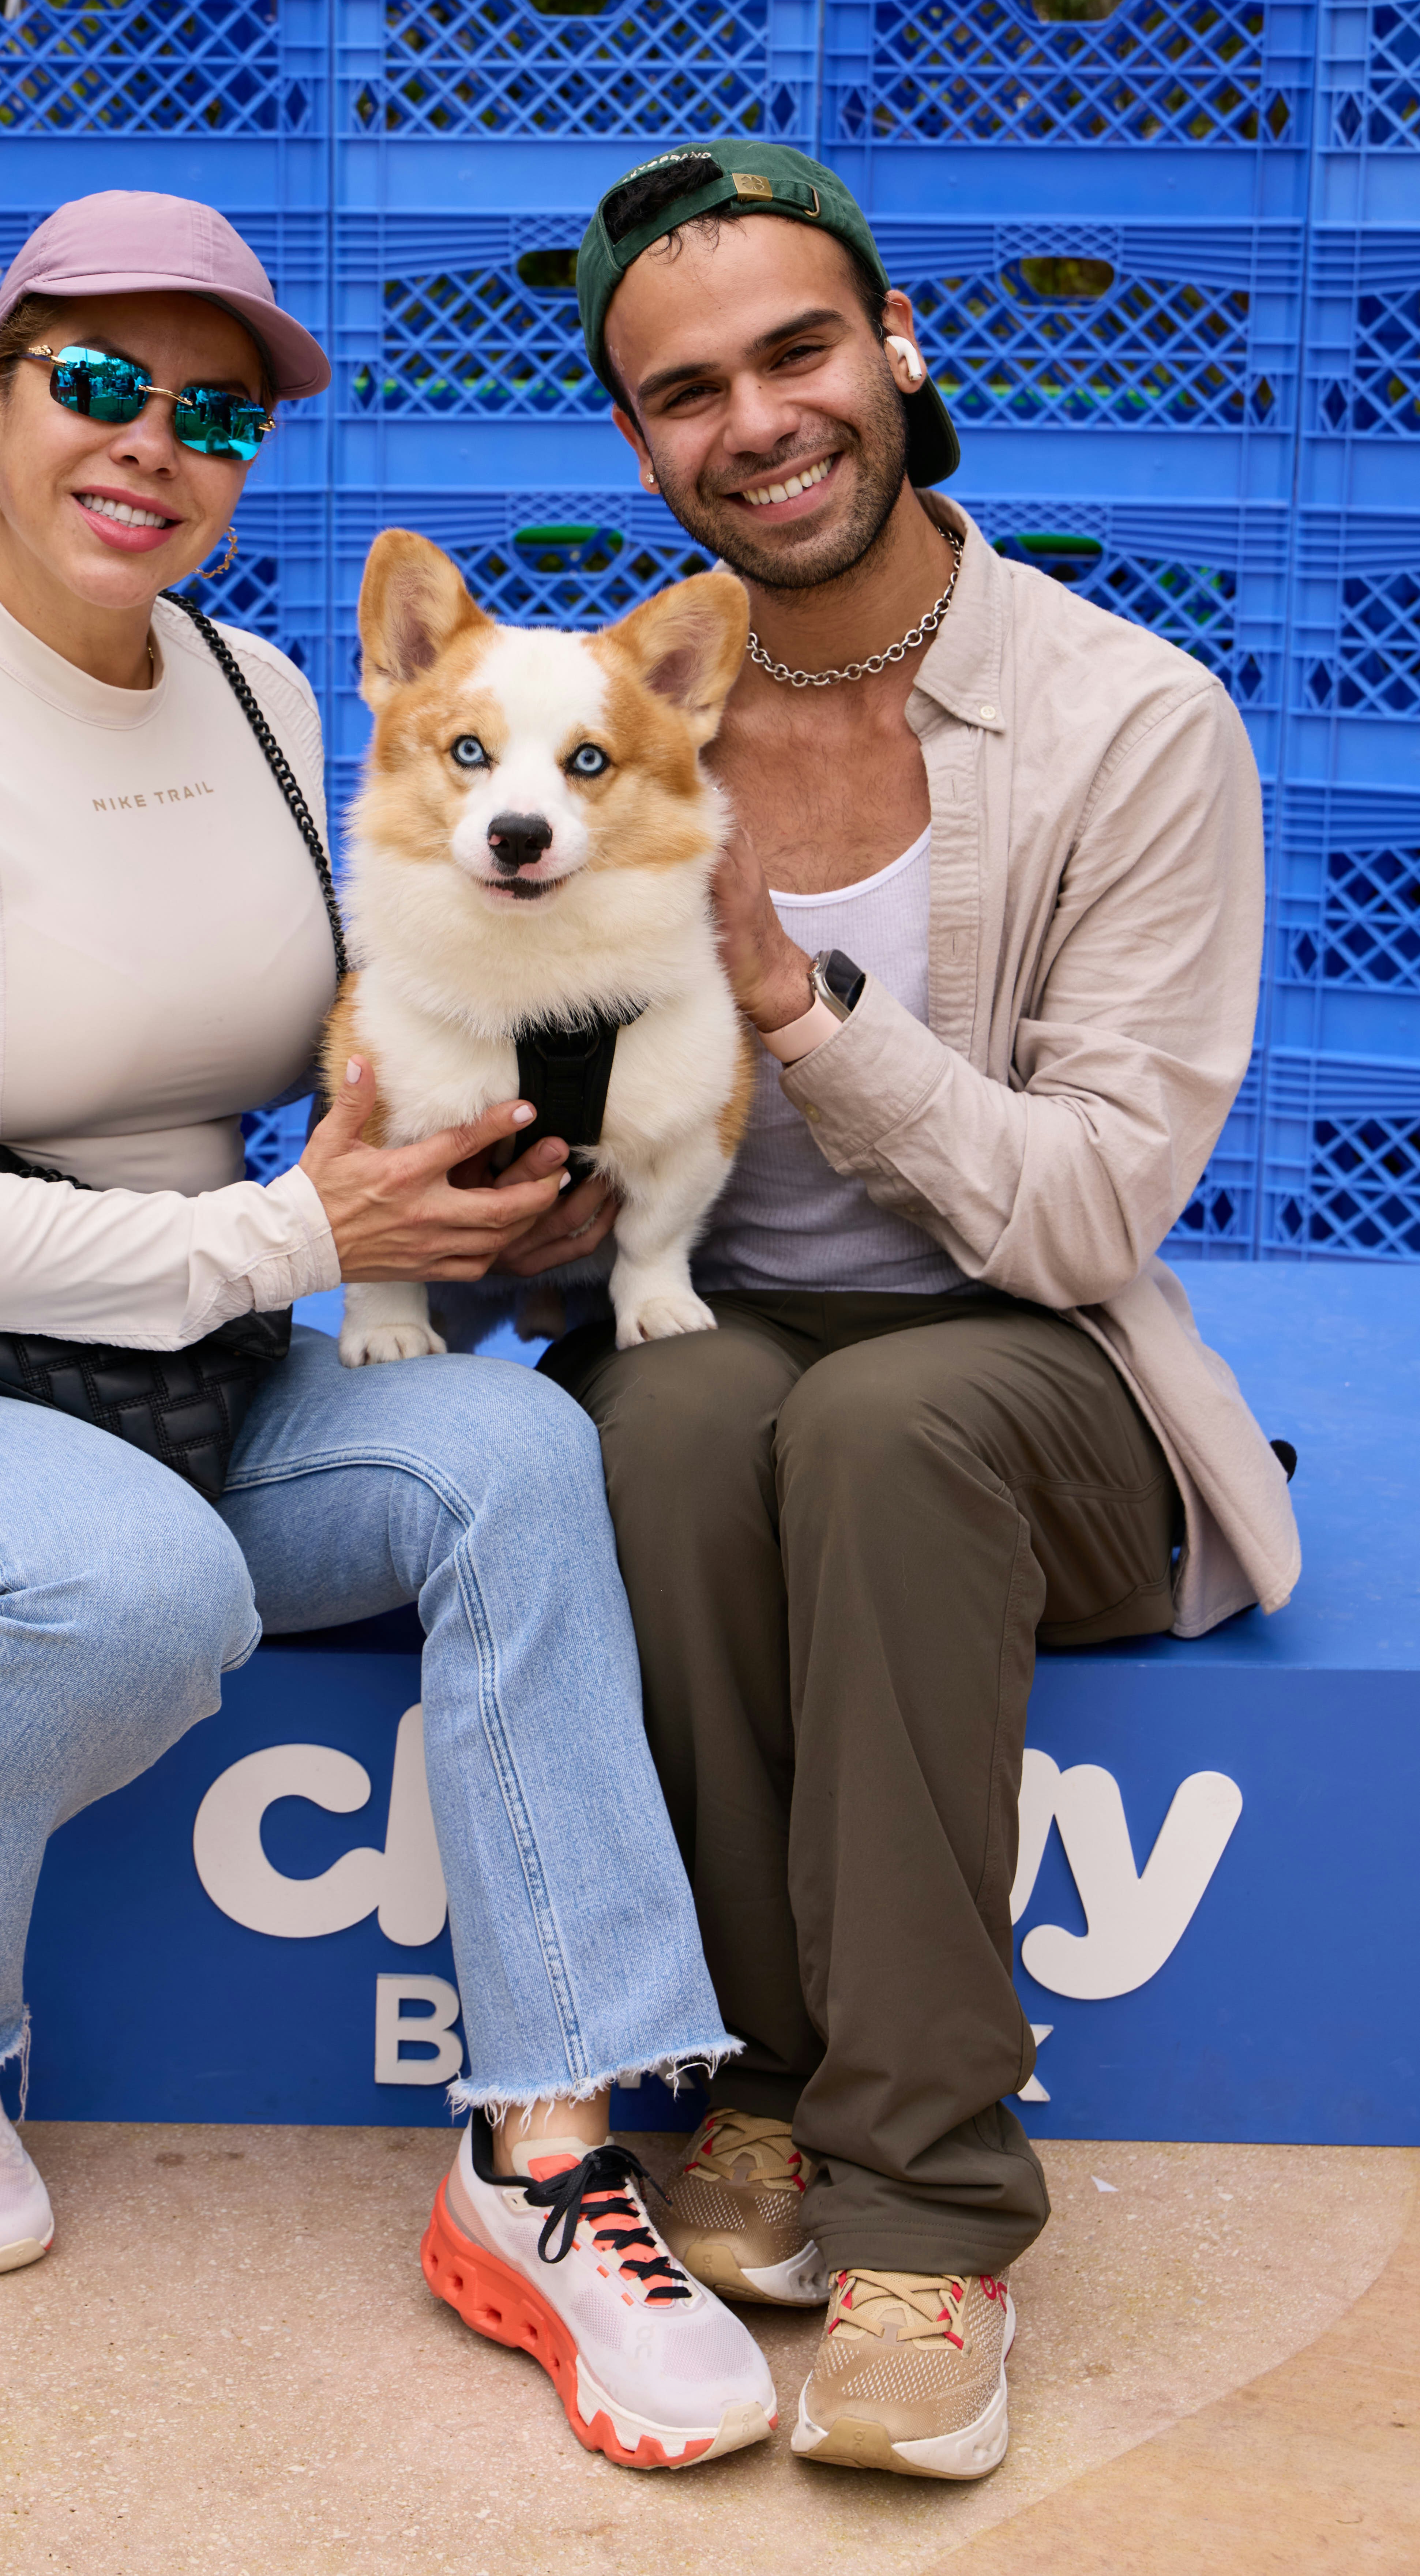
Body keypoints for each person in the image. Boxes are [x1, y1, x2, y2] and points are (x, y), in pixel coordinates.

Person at [0, 189, 781, 2469]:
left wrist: (517, 1171)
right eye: (96, 382)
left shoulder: (281, 703)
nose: (149, 443)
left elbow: (384, 1048)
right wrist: (301, 1238)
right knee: (134, 1583)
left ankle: (550, 2160)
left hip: (205, 1363)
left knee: (512, 1459)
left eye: (208, 411)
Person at [534, 140, 1301, 2483]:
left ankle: (933, 2211)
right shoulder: (609, 727)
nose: (754, 420)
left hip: (1037, 1372)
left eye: (796, 351)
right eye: (686, 393)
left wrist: (796, 996)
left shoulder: (1127, 722)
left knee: (883, 1430)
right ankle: (761, 2091)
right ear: (642, 444)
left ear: (897, 350)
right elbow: (580, 1184)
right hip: (727, 1338)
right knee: (662, 1422)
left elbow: (1082, 1217)